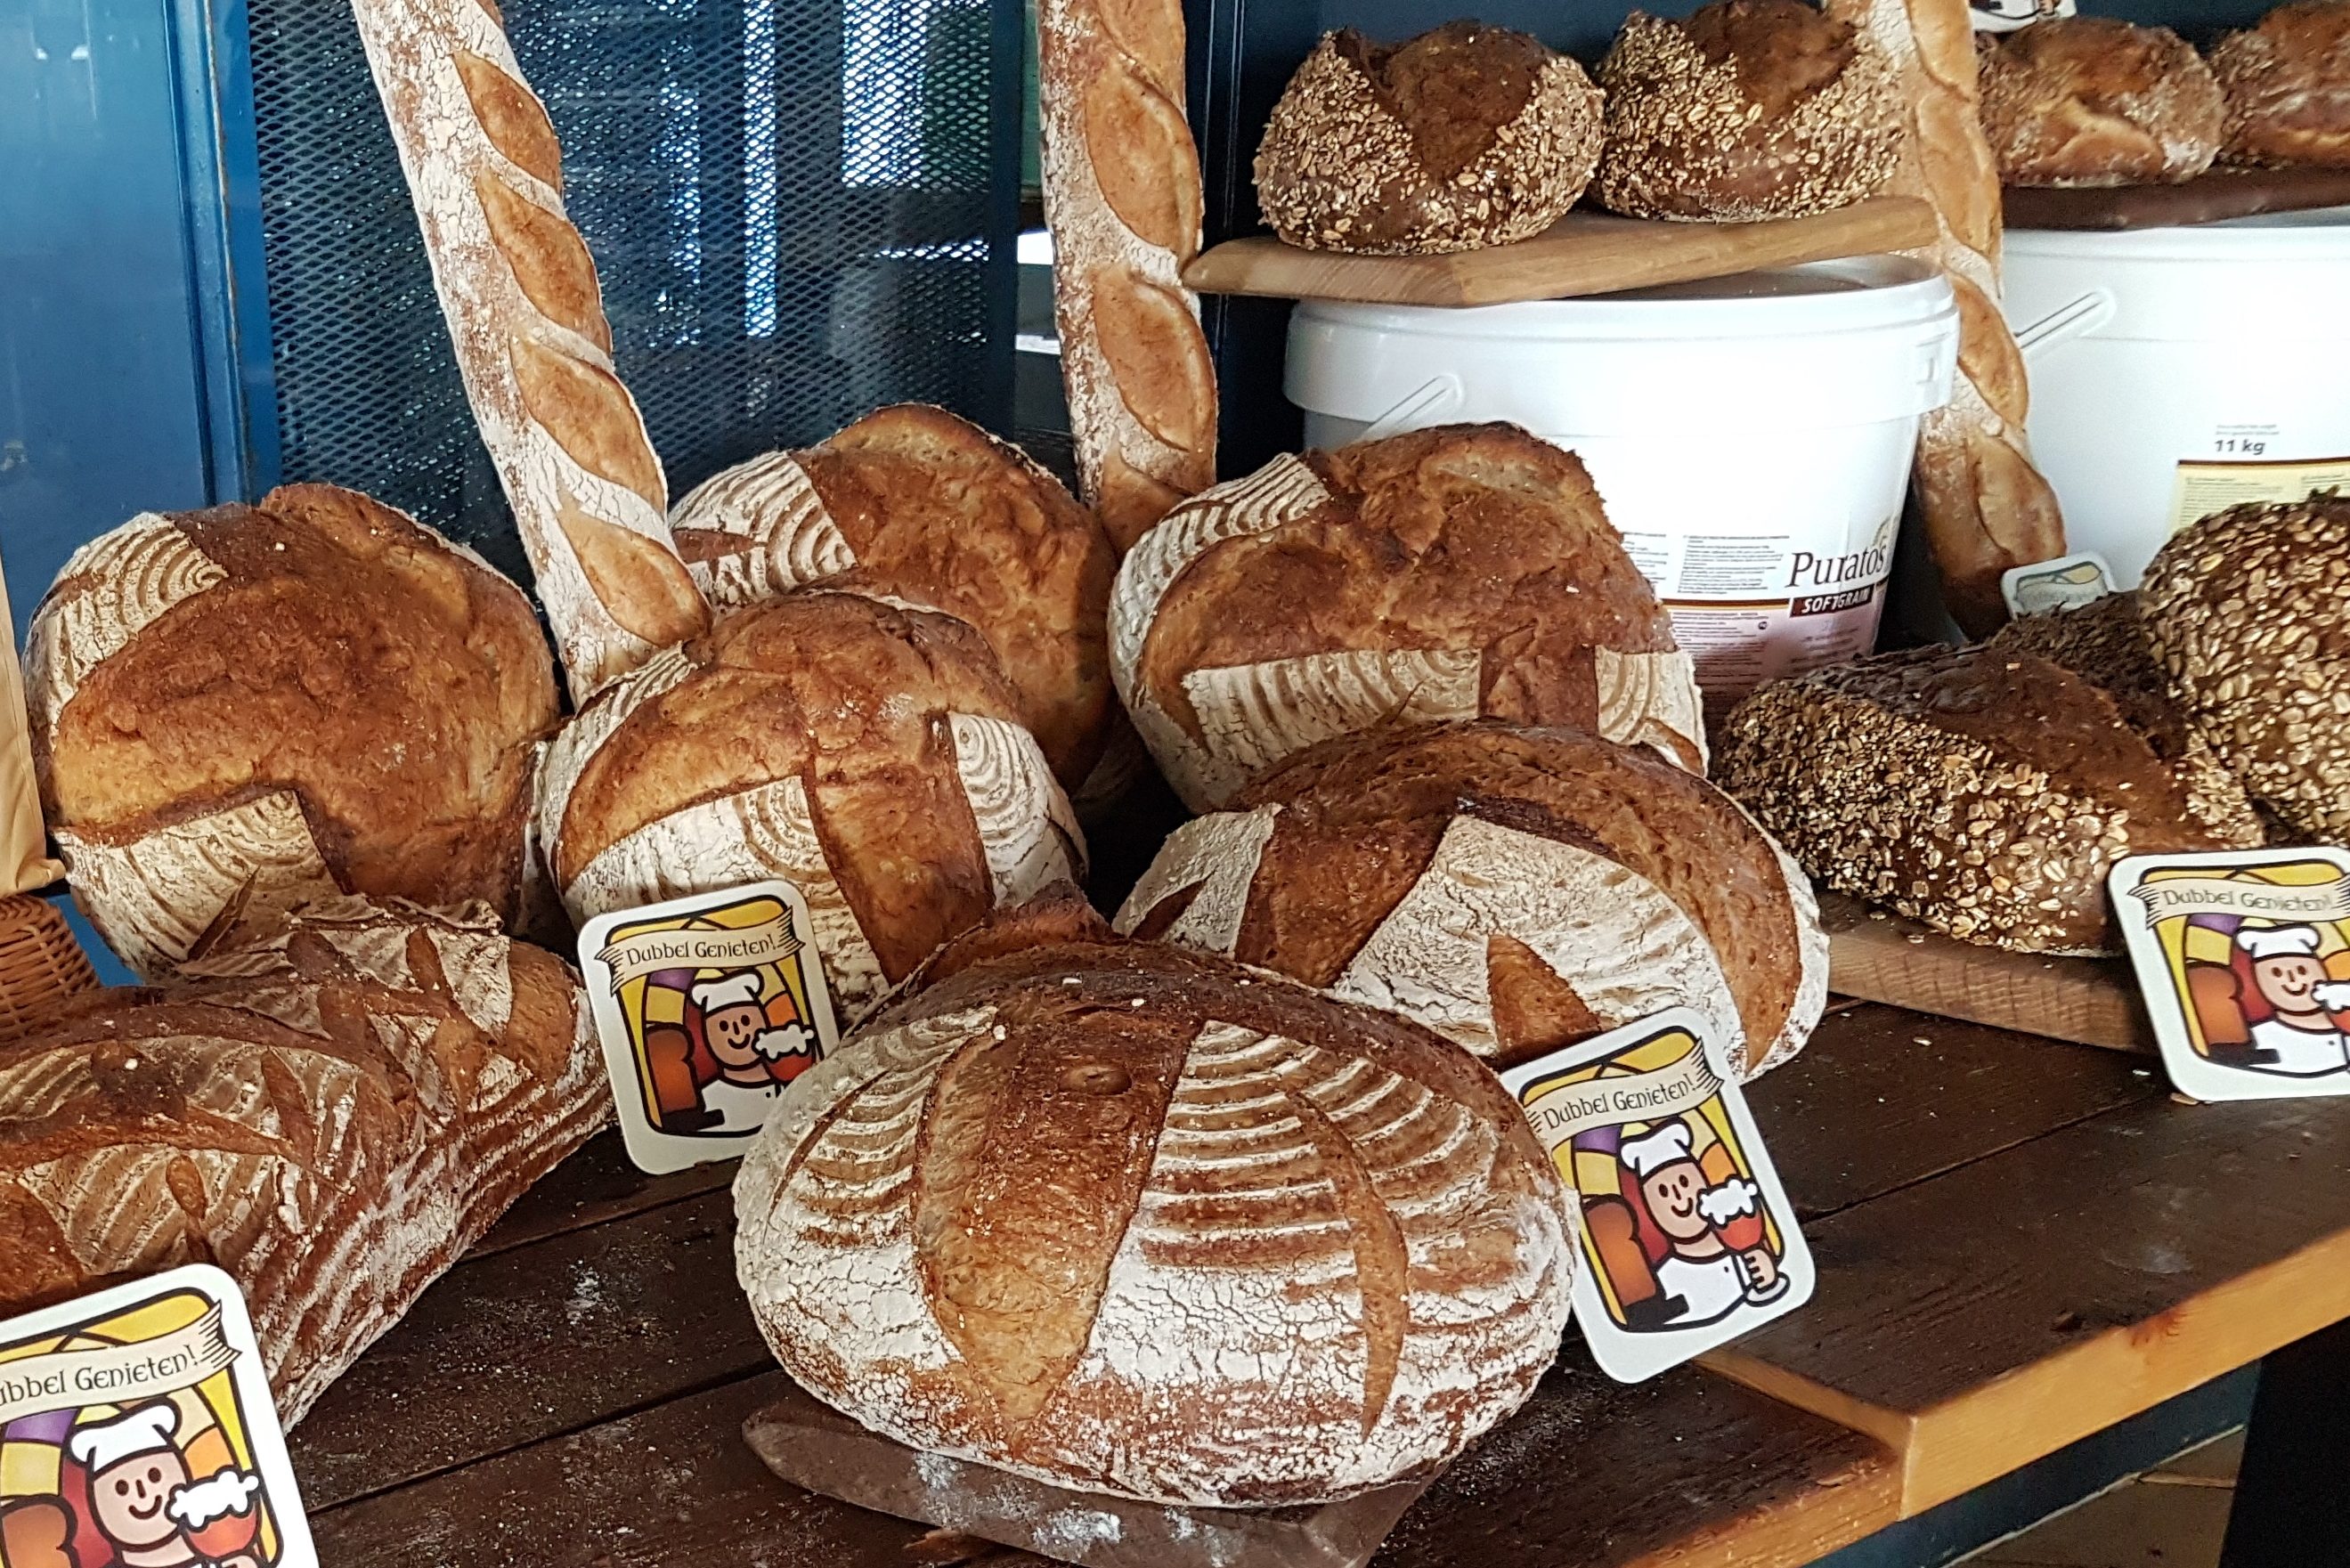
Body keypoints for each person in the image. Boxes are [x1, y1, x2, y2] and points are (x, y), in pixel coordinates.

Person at [1621, 1122, 1783, 1328]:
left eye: (1684, 1182)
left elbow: (1771, 1297)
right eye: (1663, 1192)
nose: (1679, 1198)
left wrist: (1770, 1281)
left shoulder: (1747, 1258)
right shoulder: (1666, 1280)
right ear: (1649, 1210)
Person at [66, 1403, 263, 1568]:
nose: (142, 1494)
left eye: (154, 1476)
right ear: (97, 1504)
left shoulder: (217, 1558)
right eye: (122, 1488)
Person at [687, 972, 813, 1133]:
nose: (737, 1031)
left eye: (746, 1021)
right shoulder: (710, 1099)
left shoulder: (792, 1088)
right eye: (723, 1026)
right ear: (708, 1037)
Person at [2236, 924, 2350, 1076]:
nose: (2292, 979)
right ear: (2258, 981)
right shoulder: (2260, 1036)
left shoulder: (2344, 1024)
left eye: (2302, 970)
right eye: (2276, 973)